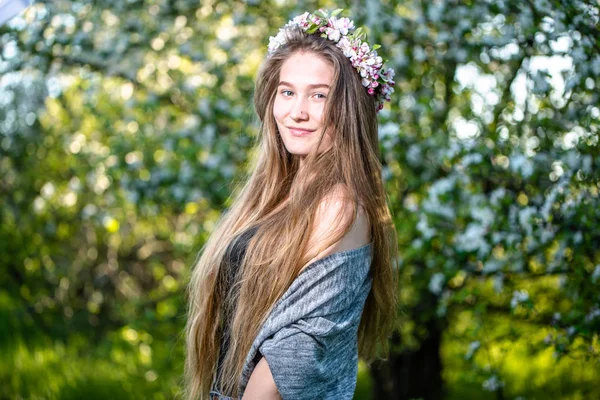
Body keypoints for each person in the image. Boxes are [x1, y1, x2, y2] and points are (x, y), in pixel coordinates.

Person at [185, 9, 398, 400]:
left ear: (348, 108)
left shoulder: (339, 206)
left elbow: (295, 354)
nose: (297, 111)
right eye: (287, 91)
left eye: (319, 95)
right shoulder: (275, 196)